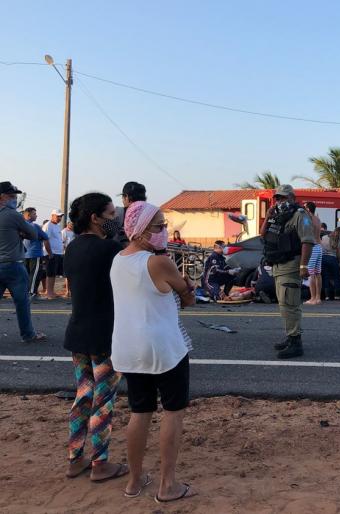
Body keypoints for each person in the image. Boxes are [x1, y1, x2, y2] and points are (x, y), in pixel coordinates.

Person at [110, 201, 196, 502]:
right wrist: (188, 286)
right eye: (159, 227)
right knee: (173, 413)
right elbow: (188, 299)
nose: (164, 232)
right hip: (163, 349)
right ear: (141, 231)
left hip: (129, 348)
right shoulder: (158, 263)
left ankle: (134, 481)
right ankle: (167, 485)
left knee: (140, 411)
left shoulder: (118, 260)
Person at [62, 192, 127, 482]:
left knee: (83, 395)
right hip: (105, 335)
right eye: (111, 215)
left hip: (78, 332)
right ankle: (101, 463)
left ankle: (75, 458)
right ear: (95, 217)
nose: (115, 220)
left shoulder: (72, 248)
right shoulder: (109, 251)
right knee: (104, 400)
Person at [260, 184, 315, 358]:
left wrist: (303, 266)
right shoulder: (277, 216)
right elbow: (263, 235)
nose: (280, 201)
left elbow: (307, 241)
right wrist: (268, 217)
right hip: (278, 265)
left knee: (290, 304)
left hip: (291, 265)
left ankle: (296, 342)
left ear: (292, 198)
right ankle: (290, 337)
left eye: (283, 198)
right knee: (284, 304)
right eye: (278, 198)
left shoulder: (300, 215)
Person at [0, 181, 46, 342]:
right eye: (11, 196)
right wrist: (20, 233)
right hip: (13, 265)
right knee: (22, 302)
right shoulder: (13, 215)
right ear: (2, 197)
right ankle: (28, 334)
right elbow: (33, 234)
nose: (14, 199)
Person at [22, 207, 51, 297]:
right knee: (34, 274)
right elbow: (45, 237)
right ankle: (32, 292)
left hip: (24, 255)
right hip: (35, 254)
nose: (36, 215)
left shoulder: (20, 226)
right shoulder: (34, 226)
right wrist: (50, 253)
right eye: (34, 214)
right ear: (28, 215)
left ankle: (26, 292)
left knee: (26, 274)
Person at [114, 181, 147, 246]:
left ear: (126, 197)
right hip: (143, 253)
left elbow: (107, 235)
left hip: (119, 253)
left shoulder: (117, 213)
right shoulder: (150, 214)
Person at [43, 209, 65, 299]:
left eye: (61, 216)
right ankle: (49, 293)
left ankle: (51, 291)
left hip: (58, 253)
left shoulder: (57, 226)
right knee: (50, 273)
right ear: (52, 216)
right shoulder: (48, 225)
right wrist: (50, 253)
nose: (59, 218)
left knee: (54, 273)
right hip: (51, 253)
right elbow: (45, 239)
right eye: (58, 216)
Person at [304, 201, 323, 305]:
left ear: (308, 209)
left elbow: (306, 231)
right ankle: (318, 297)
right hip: (319, 247)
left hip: (313, 247)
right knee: (317, 273)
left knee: (311, 274)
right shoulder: (318, 219)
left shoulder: (308, 219)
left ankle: (312, 298)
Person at [321, 227, 340, 300]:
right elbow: (338, 252)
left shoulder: (324, 237)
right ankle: (336, 295)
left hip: (323, 259)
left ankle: (327, 296)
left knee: (326, 277)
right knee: (336, 277)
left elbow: (321, 248)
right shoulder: (339, 239)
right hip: (333, 259)